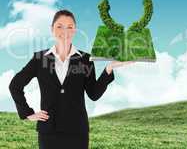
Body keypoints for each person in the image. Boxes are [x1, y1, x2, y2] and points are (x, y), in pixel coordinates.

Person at [9, 9, 134, 149]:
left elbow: (94, 94)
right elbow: (15, 85)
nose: (65, 31)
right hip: (49, 132)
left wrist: (109, 68)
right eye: (60, 26)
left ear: (75, 31)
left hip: (77, 132)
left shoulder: (85, 59)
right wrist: (27, 113)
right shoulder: (39, 58)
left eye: (70, 27)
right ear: (52, 29)